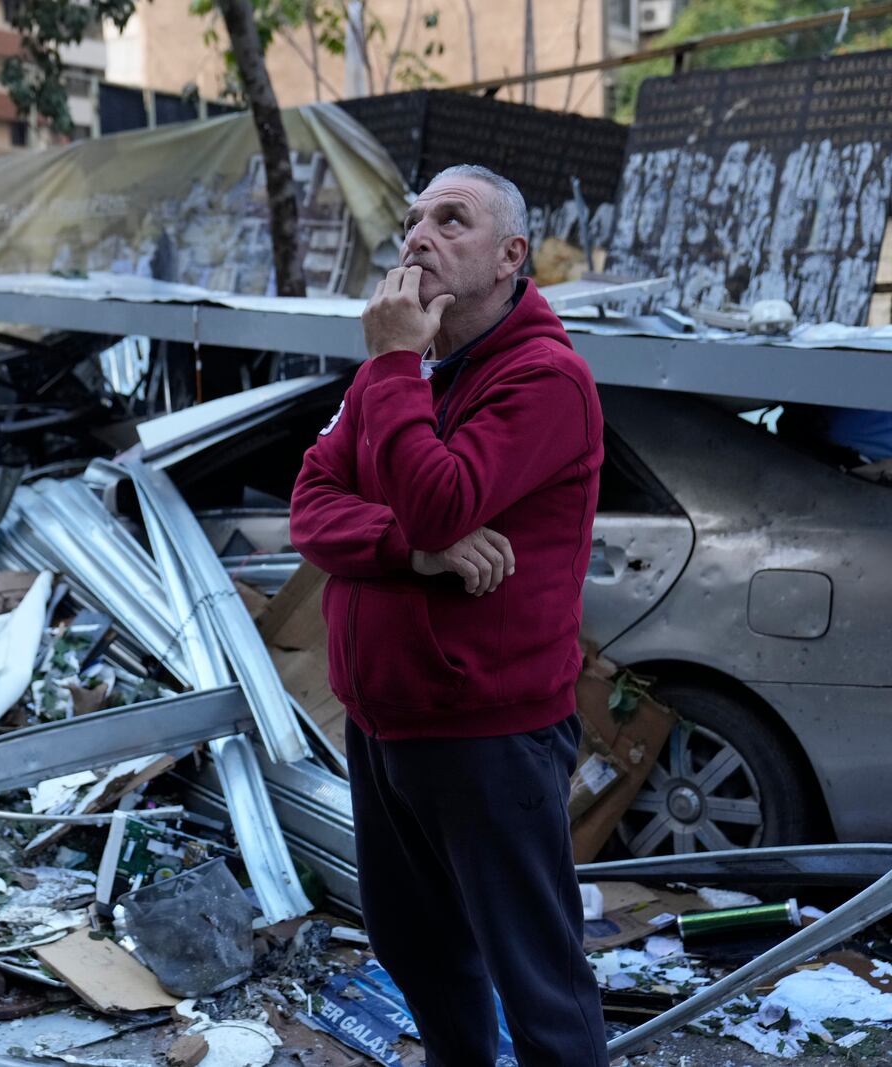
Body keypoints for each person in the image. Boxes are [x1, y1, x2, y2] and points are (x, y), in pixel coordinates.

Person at [289, 164, 608, 1066]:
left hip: (489, 734)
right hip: (385, 722)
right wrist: (411, 549)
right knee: (421, 953)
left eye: (451, 220)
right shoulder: (404, 375)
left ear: (511, 256)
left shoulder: (545, 380)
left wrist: (391, 365)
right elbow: (311, 509)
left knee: (537, 979)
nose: (418, 236)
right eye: (413, 219)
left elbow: (442, 497)